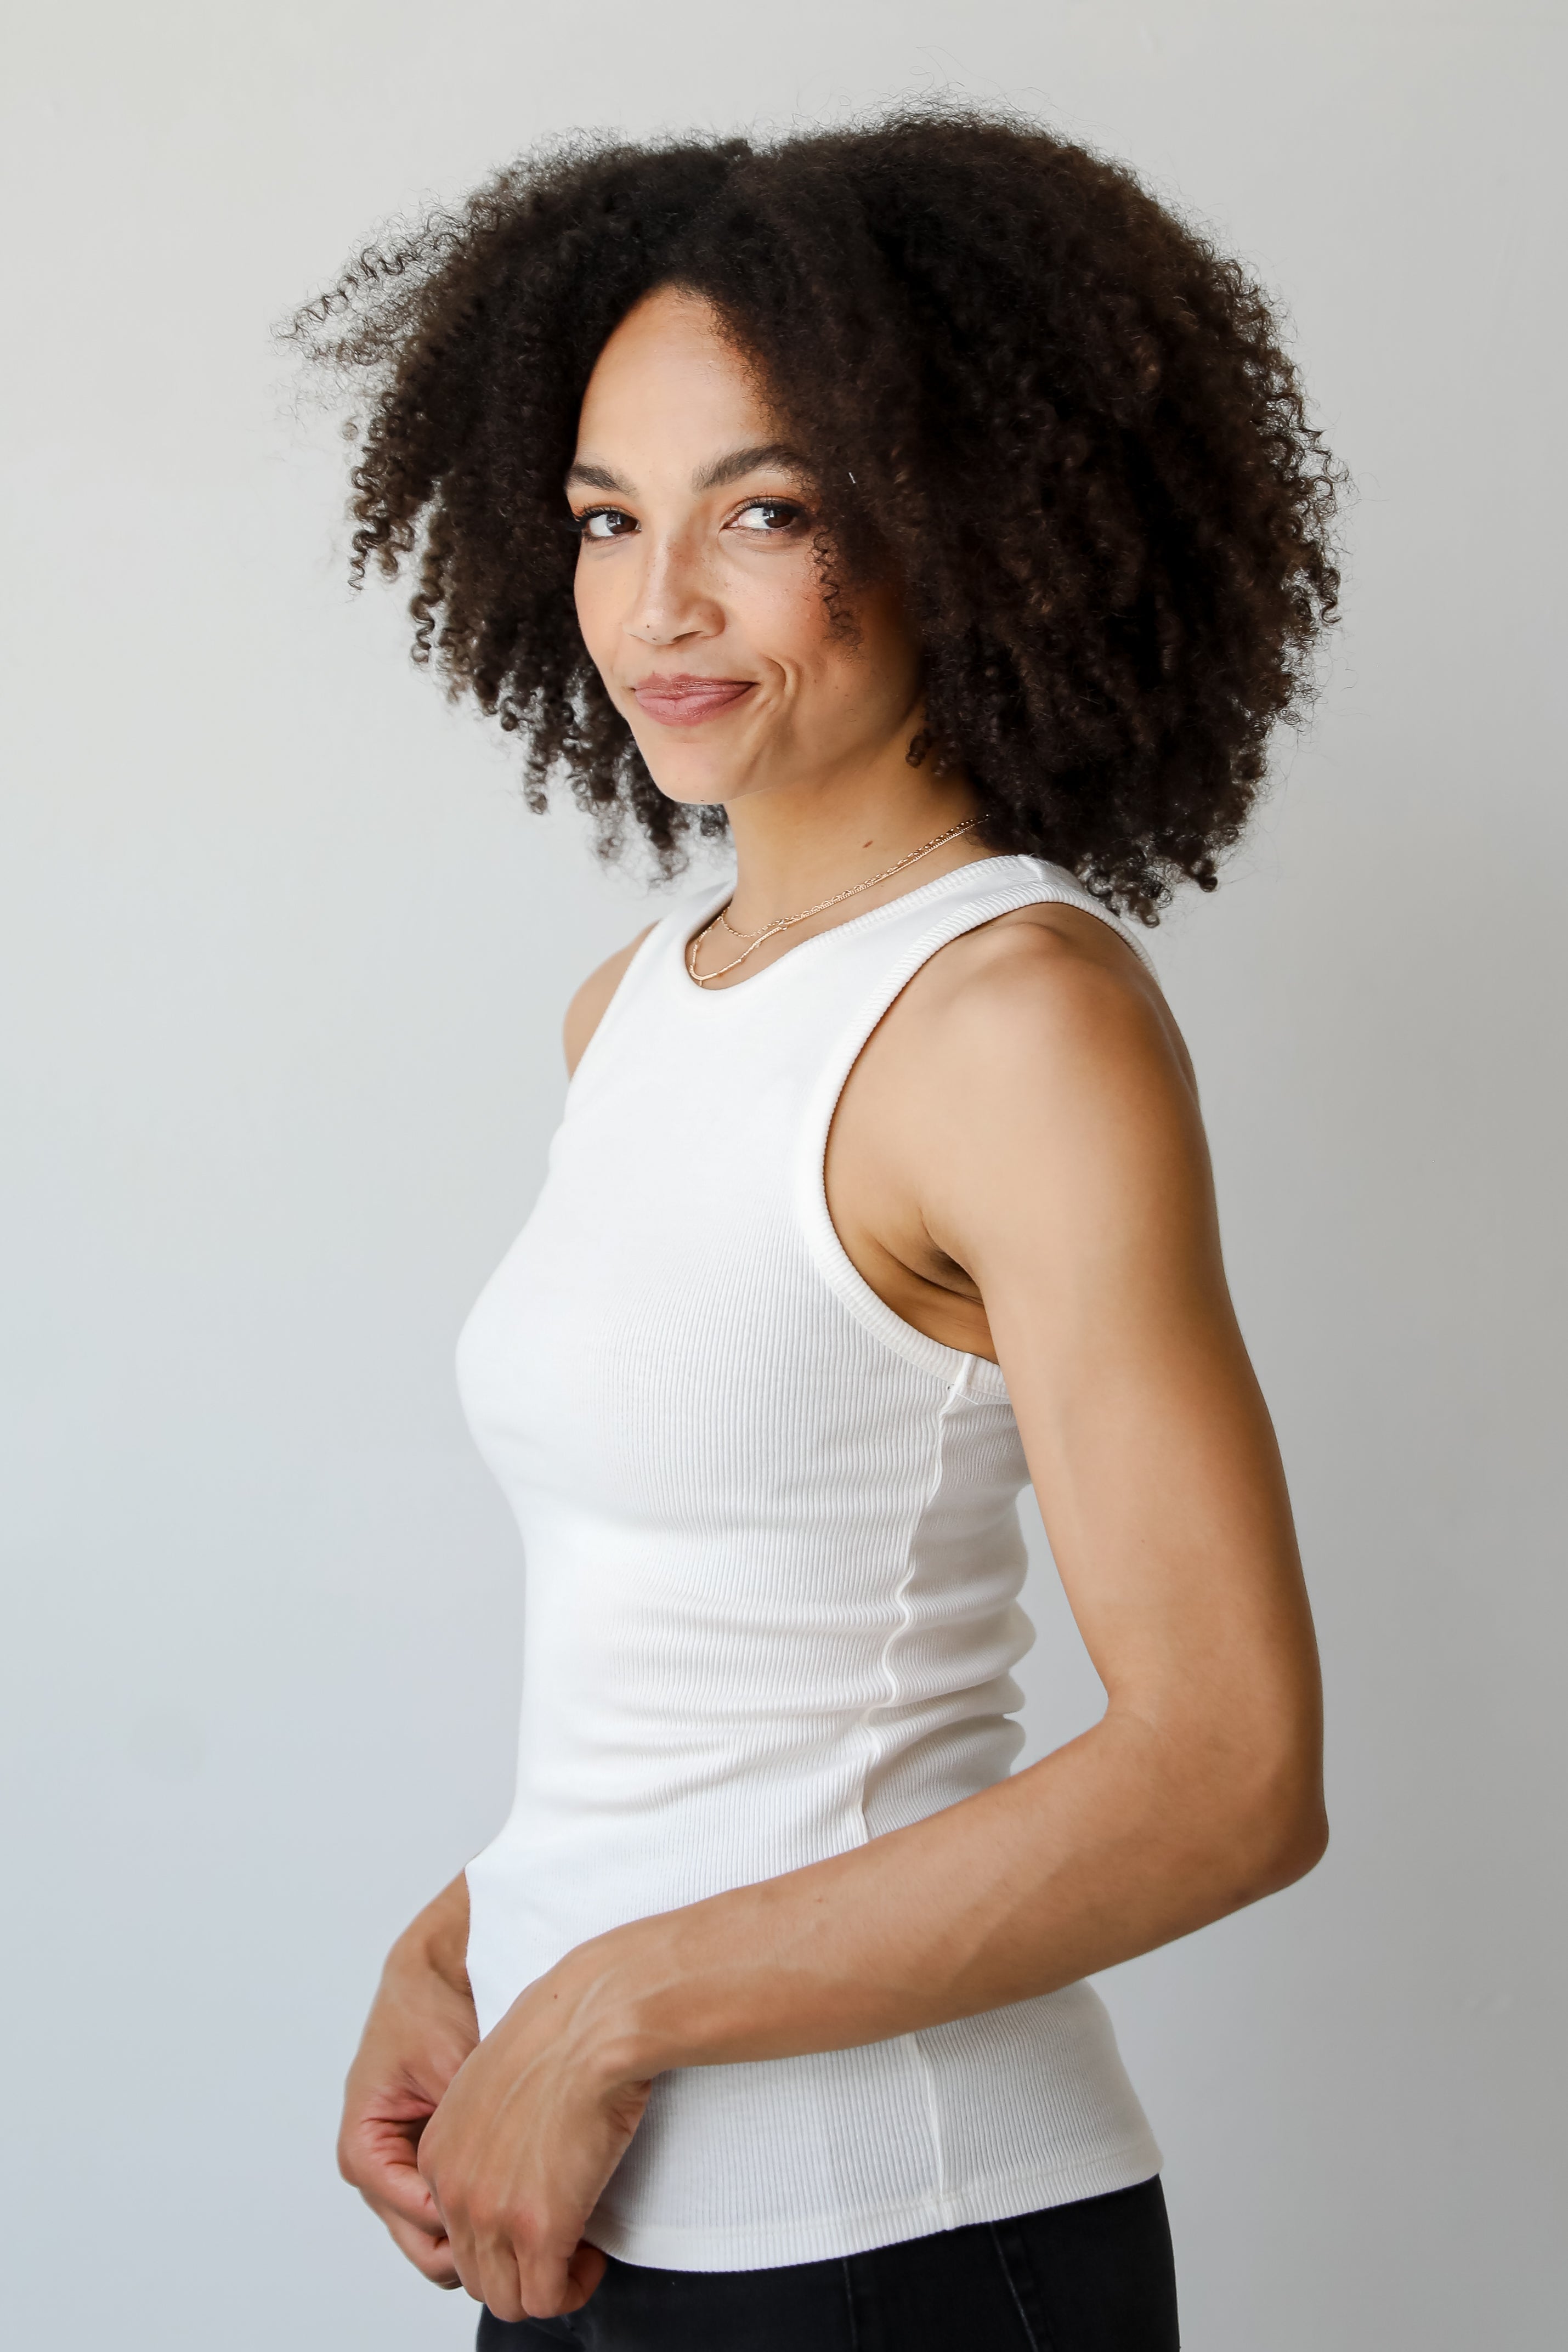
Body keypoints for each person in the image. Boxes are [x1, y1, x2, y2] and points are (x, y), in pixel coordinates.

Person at [295, 109, 1340, 2350]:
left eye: (760, 511)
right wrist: (478, 1941)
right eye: (604, 518)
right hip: (579, 2213)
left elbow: (1229, 1768)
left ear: (963, 527)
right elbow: (719, 1666)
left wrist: (611, 2008)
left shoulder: (1014, 1019)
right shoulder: (634, 1009)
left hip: (897, 2242)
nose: (654, 603)